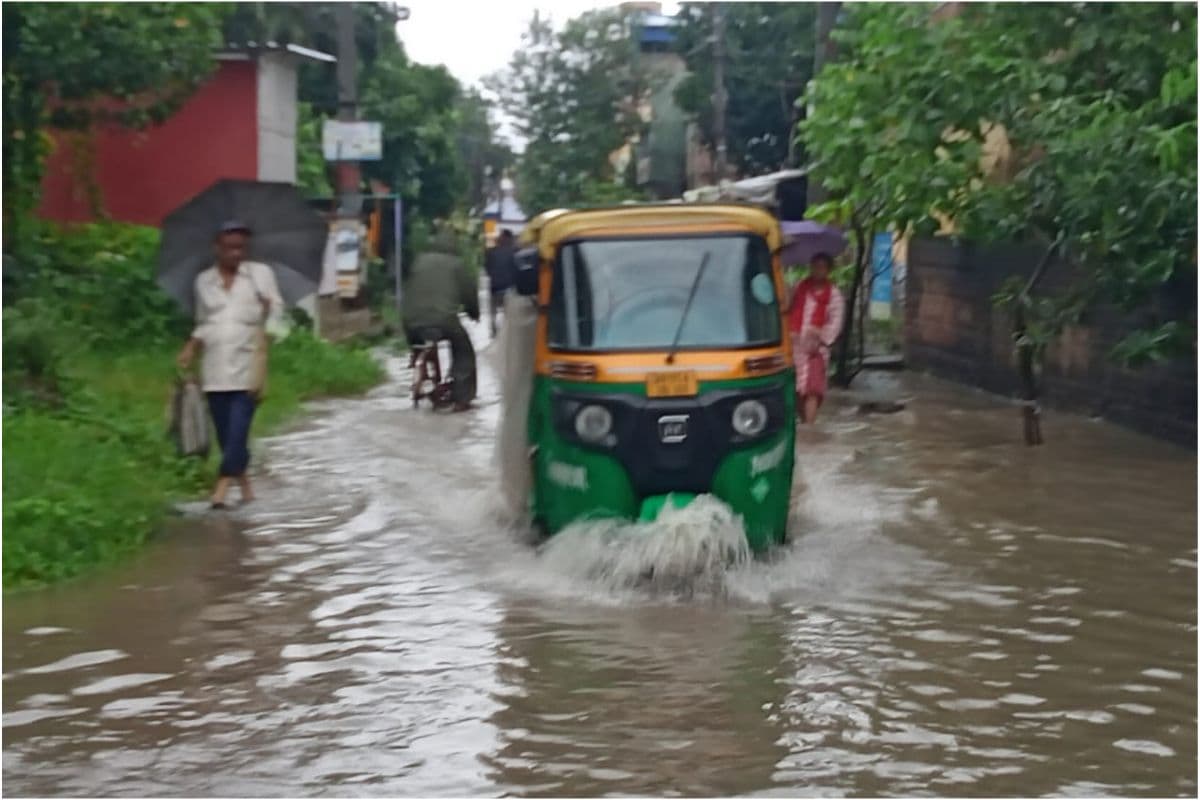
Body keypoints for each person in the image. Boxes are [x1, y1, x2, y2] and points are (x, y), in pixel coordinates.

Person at [176, 221, 284, 508]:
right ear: (217, 248)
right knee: (226, 433)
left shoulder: (260, 276)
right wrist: (190, 346)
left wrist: (268, 318)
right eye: (230, 248)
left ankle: (220, 490)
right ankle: (246, 487)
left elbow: (278, 313)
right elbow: (204, 322)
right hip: (214, 367)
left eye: (241, 247)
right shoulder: (203, 281)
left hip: (249, 365)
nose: (236, 253)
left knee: (238, 429)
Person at [402, 222, 480, 412]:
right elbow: (469, 293)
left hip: (410, 322)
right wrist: (474, 312)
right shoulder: (457, 265)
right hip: (444, 321)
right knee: (464, 349)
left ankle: (417, 361)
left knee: (418, 343)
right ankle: (462, 397)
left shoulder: (419, 260)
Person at [789, 252, 845, 424]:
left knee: (812, 390)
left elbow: (836, 322)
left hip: (816, 349)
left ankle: (810, 428)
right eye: (814, 266)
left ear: (828, 270)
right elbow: (789, 310)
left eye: (821, 267)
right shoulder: (800, 288)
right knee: (797, 390)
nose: (817, 271)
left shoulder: (834, 295)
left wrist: (820, 333)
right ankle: (804, 422)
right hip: (796, 345)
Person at [484, 229, 517, 338]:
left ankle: (493, 330)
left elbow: (487, 269)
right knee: (510, 311)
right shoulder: (515, 251)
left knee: (493, 311)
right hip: (511, 288)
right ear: (510, 239)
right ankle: (508, 332)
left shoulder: (490, 252)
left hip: (495, 287)